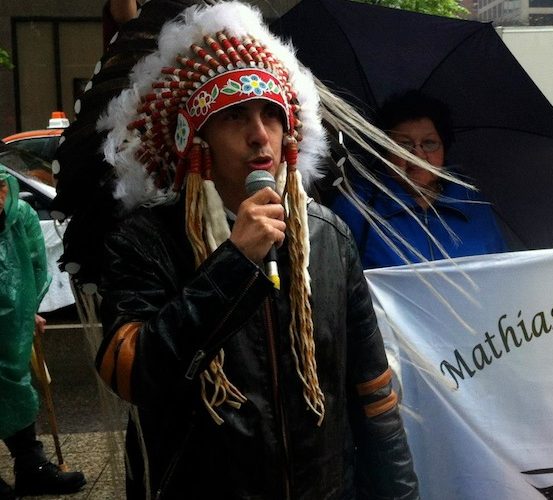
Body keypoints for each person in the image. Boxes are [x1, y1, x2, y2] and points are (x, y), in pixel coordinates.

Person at [92, 3, 418, 498]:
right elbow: (131, 372)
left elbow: (373, 395)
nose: (259, 135)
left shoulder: (328, 236)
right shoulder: (147, 241)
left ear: (291, 133)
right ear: (195, 140)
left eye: (271, 114)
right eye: (234, 116)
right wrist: (233, 265)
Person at [332, 90, 508, 269]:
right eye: (404, 145)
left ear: (444, 148)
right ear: (385, 151)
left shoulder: (474, 207)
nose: (418, 154)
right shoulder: (356, 209)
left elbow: (501, 276)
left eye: (429, 143)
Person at [0, 169, 86, 498]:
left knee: (16, 386)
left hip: (10, 323)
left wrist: (29, 309)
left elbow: (33, 266)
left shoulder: (19, 217)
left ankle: (30, 467)